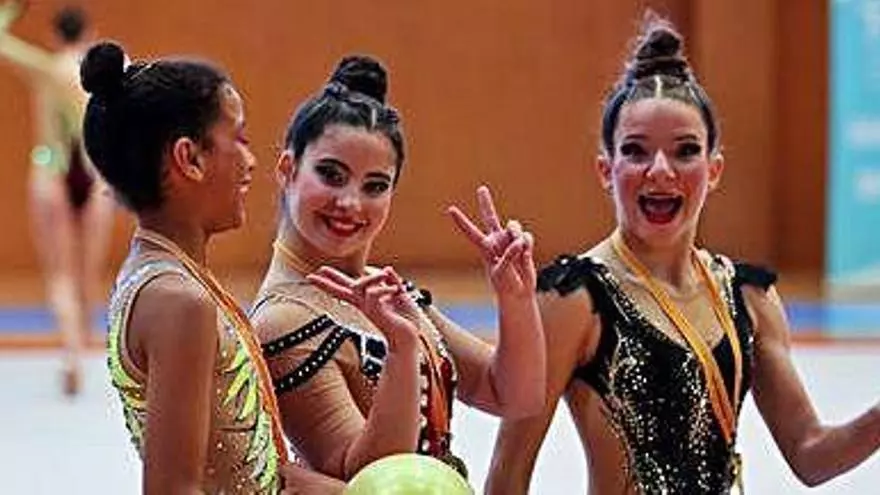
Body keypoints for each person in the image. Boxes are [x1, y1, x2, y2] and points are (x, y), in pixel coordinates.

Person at [485, 16, 880, 495]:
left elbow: (811, 455)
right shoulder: (574, 300)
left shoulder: (749, 298)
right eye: (636, 151)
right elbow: (507, 476)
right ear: (606, 169)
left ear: (714, 170)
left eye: (685, 151)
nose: (659, 170)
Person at [250, 54, 546, 482]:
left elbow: (512, 395)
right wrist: (402, 352)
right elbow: (374, 481)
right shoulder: (282, 322)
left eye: (375, 186)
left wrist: (515, 297)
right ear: (287, 168)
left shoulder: (389, 292)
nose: (350, 203)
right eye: (331, 175)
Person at [81, 40, 344, 494]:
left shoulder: (162, 274)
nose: (251, 161)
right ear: (190, 158)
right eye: (239, 139)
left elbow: (245, 472)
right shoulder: (178, 300)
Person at [0, 1, 115, 396]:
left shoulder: (46, 68)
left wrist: (10, 10)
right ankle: (83, 338)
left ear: (54, 36)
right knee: (87, 272)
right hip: (93, 174)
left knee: (60, 274)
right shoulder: (101, 73)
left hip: (51, 168)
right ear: (89, 34)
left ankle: (71, 353)